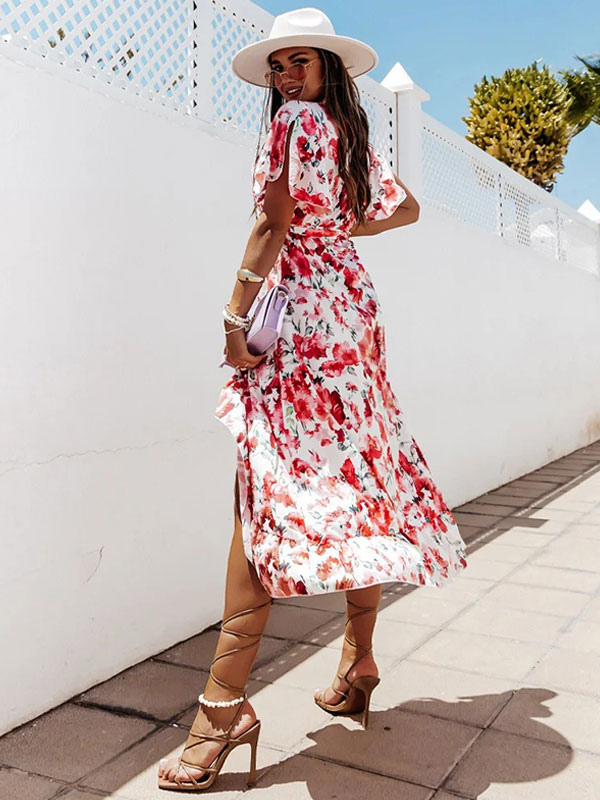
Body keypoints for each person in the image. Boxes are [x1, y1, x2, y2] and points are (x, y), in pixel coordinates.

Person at [158, 6, 468, 792]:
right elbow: (405, 208)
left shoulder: (295, 123)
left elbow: (271, 223)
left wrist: (234, 315)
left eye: (301, 61)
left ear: (327, 69)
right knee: (356, 482)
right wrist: (333, 235)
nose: (287, 75)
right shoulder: (347, 135)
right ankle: (358, 661)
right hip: (352, 319)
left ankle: (222, 709)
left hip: (299, 323)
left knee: (261, 494)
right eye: (279, 64)